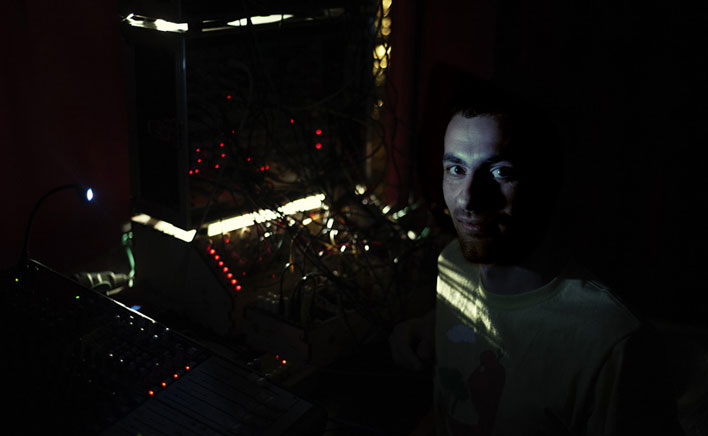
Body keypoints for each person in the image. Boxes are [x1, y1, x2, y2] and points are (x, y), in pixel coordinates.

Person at [389, 81, 685, 435]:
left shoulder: (612, 344)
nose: (468, 199)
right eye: (456, 169)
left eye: (501, 172)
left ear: (544, 182)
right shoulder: (453, 265)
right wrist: (427, 327)